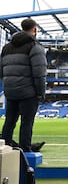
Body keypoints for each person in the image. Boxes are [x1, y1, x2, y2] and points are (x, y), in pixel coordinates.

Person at [0, 18, 47, 152]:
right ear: (35, 29)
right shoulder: (34, 46)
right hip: (28, 92)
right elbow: (39, 73)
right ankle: (26, 152)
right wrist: (40, 92)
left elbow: (1, 70)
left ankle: (4, 151)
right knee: (26, 123)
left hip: (10, 91)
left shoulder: (6, 47)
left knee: (9, 122)